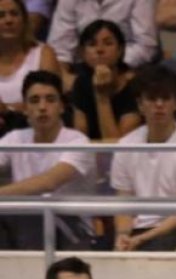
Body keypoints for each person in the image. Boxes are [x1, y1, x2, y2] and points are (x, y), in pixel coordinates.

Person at [110, 65, 176, 251]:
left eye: (165, 98)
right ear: (140, 105)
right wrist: (122, 237)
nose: (159, 105)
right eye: (152, 99)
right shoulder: (125, 145)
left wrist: (141, 239)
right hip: (137, 231)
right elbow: (123, 204)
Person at [0, 70, 96, 250]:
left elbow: (48, 182)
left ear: (61, 106)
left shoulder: (78, 141)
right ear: (25, 108)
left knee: (37, 213)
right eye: (34, 100)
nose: (42, 107)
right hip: (23, 224)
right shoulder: (14, 138)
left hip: (72, 231)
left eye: (50, 99)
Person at [69, 20, 140, 141]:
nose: (100, 49)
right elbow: (79, 141)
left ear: (120, 50)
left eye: (108, 43)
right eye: (92, 44)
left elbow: (117, 148)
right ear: (83, 53)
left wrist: (101, 96)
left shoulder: (135, 85)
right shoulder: (81, 83)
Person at [0, 0, 60, 134]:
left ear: (24, 20)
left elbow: (51, 102)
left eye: (14, 14)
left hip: (36, 133)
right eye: (1, 15)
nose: (9, 20)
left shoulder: (44, 53)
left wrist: (7, 110)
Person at [47, 0, 157, 67]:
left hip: (127, 68)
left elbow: (145, 46)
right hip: (82, 69)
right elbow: (60, 50)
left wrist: (110, 61)